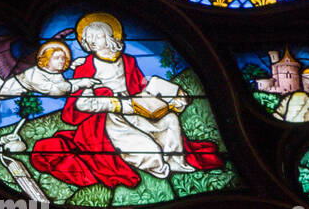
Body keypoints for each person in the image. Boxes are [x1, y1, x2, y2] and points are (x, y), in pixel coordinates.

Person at [29, 13, 226, 187]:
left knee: (170, 121)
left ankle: (176, 162)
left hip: (138, 107)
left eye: (96, 37)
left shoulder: (128, 60)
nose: (92, 42)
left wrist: (165, 95)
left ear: (108, 37)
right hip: (109, 119)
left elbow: (140, 85)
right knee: (146, 148)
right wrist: (116, 103)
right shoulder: (86, 68)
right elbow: (81, 104)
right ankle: (160, 169)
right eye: (88, 39)